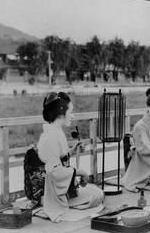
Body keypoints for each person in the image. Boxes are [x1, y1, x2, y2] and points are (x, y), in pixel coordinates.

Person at [37, 92, 104, 222]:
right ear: (61, 113)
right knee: (97, 195)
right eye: (70, 111)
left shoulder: (54, 132)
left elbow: (58, 158)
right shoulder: (51, 137)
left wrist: (72, 151)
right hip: (57, 192)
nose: (72, 116)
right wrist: (81, 172)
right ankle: (50, 202)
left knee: (96, 192)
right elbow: (54, 171)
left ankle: (51, 200)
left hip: (62, 188)